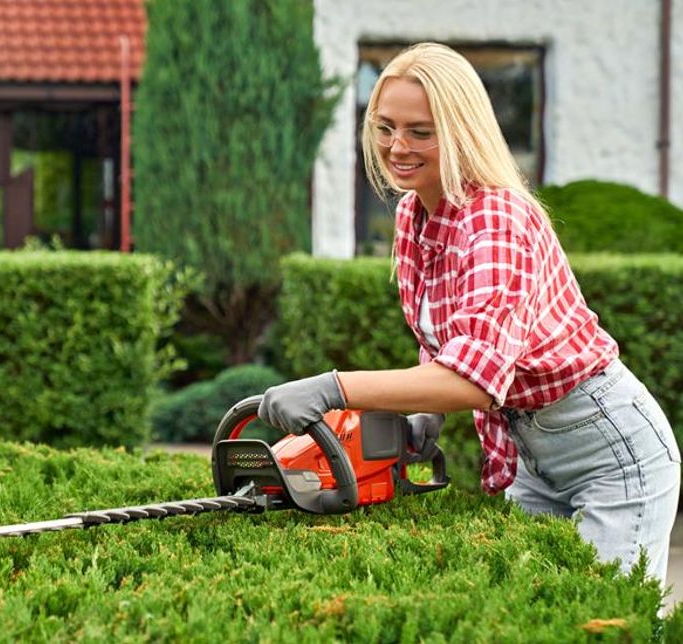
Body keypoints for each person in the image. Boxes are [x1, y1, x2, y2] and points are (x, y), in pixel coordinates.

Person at [258, 42, 680, 586]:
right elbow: (450, 343)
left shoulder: (495, 219)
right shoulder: (415, 213)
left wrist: (334, 388)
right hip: (534, 457)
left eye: (420, 131)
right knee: (526, 610)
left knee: (602, 616)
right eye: (385, 127)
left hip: (611, 455)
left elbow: (475, 381)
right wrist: (426, 414)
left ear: (459, 130)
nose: (397, 146)